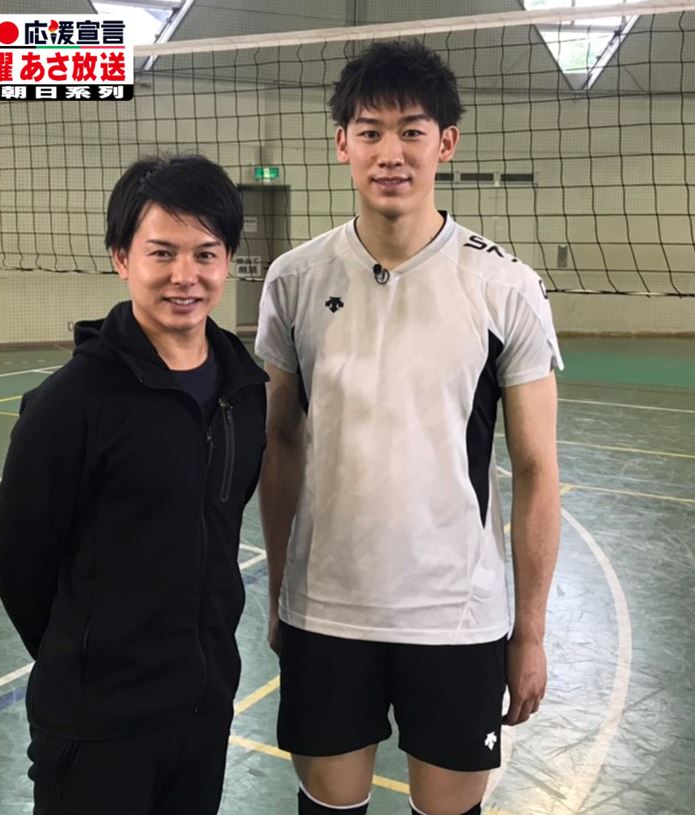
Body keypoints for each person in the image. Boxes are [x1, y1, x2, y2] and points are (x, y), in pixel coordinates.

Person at [256, 40, 563, 815]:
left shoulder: (505, 286)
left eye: (411, 131)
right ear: (342, 144)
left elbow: (536, 469)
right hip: (326, 613)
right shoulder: (293, 280)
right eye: (369, 131)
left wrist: (528, 631)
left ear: (445, 142)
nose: (389, 152)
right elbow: (280, 441)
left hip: (457, 618)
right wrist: (280, 589)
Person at [0, 154, 267, 815]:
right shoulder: (71, 403)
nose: (184, 276)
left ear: (227, 260)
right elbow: (17, 561)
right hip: (97, 727)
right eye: (161, 253)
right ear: (122, 257)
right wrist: (89, 660)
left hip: (204, 711)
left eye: (205, 254)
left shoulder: (245, 391)